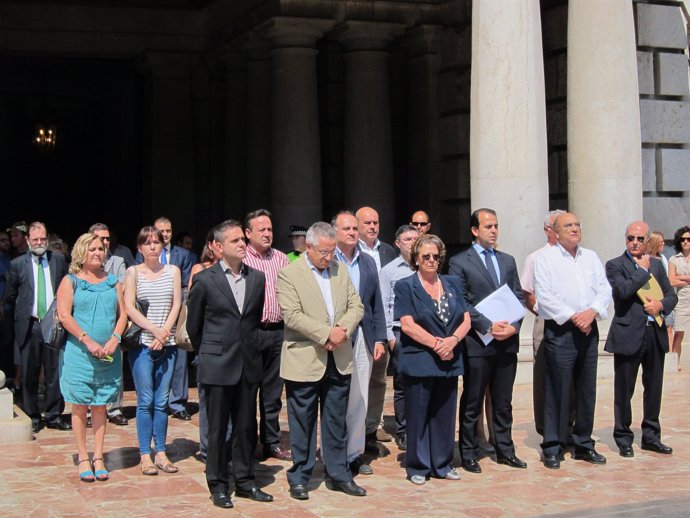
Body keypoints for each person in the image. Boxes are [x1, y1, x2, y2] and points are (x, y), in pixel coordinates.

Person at [277, 222, 366, 500]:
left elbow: (356, 306)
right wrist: (326, 333)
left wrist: (341, 332)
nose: (329, 257)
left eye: (333, 251)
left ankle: (339, 474)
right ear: (309, 247)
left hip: (338, 357)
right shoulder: (289, 274)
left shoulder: (339, 270)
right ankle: (300, 476)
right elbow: (291, 315)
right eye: (325, 252)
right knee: (302, 422)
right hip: (305, 358)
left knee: (335, 421)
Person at [187, 220, 273, 509]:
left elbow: (252, 320)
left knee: (247, 427)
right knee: (217, 428)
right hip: (217, 364)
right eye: (235, 240)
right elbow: (194, 325)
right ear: (218, 247)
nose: (241, 244)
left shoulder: (257, 278)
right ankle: (218, 484)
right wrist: (211, 352)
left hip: (248, 365)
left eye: (242, 240)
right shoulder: (205, 279)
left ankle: (246, 481)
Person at [449, 208, 527, 473]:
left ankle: (505, 450)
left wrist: (514, 327)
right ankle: (469, 452)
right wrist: (488, 325)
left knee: (503, 401)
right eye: (487, 226)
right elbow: (462, 301)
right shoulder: (460, 262)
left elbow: (518, 296)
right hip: (477, 342)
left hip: (506, 343)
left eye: (496, 226)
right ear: (474, 230)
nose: (493, 231)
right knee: (472, 400)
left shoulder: (507, 260)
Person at [534, 212, 612, 469]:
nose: (575, 229)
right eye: (568, 225)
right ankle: (553, 446)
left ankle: (583, 444)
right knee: (558, 390)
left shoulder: (590, 257)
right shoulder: (544, 259)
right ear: (555, 232)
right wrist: (573, 317)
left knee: (586, 389)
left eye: (577, 224)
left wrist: (592, 312)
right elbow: (544, 297)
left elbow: (604, 289)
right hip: (561, 331)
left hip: (588, 331)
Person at [394, 234, 470, 485]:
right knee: (418, 415)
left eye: (435, 256)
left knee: (445, 415)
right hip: (420, 359)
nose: (431, 260)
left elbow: (466, 319)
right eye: (425, 256)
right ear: (416, 258)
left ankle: (442, 463)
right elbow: (407, 325)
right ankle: (418, 465)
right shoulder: (406, 285)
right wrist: (438, 344)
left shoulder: (453, 283)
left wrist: (453, 342)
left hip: (449, 358)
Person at [56, 233, 128, 481]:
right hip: (80, 354)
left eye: (101, 248)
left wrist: (115, 340)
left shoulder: (113, 281)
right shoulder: (70, 281)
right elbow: (64, 315)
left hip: (108, 354)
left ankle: (98, 456)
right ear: (81, 253)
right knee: (80, 406)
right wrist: (87, 340)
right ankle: (83, 457)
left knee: (101, 406)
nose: (98, 252)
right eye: (92, 249)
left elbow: (123, 315)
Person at [605, 221, 677, 458]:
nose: (634, 243)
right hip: (628, 334)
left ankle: (651, 436)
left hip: (654, 333)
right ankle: (623, 437)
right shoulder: (616, 265)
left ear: (647, 241)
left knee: (654, 387)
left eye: (639, 239)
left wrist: (660, 305)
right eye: (630, 238)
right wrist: (642, 271)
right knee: (624, 389)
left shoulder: (657, 265)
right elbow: (623, 292)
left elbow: (671, 296)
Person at [333, 211, 387, 476]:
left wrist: (379, 338)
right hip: (335, 337)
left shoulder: (367, 262)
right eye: (347, 228)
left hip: (363, 336)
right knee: (335, 398)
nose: (353, 232)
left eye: (356, 228)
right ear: (335, 232)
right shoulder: (328, 258)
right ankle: (333, 452)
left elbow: (375, 303)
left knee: (360, 398)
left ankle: (354, 453)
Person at [125, 225, 182, 476]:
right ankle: (144, 455)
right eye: (146, 243)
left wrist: (165, 332)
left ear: (163, 245)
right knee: (145, 400)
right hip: (143, 345)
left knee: (161, 402)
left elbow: (177, 304)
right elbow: (129, 307)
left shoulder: (173, 271)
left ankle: (160, 451)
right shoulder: (132, 272)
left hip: (167, 344)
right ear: (139, 247)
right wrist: (153, 331)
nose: (152, 247)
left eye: (156, 242)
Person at [4, 222, 71, 433]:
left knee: (54, 371)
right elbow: (11, 295)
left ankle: (53, 414)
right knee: (30, 373)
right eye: (35, 240)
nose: (40, 243)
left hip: (53, 323)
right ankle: (32, 414)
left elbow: (66, 287)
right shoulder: (17, 264)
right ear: (28, 240)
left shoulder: (58, 260)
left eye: (43, 239)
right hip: (30, 324)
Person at [242, 209, 292, 461]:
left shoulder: (282, 259)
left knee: (273, 394)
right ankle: (248, 443)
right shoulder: (242, 260)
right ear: (248, 233)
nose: (267, 233)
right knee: (249, 392)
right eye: (261, 229)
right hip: (252, 333)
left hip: (278, 332)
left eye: (270, 229)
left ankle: (271, 442)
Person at [137, 216, 194, 420]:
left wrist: (174, 304)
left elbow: (187, 284)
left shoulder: (184, 255)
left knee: (179, 360)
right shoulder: (142, 255)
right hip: (150, 318)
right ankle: (152, 401)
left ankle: (177, 403)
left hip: (175, 316)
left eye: (168, 231)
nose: (165, 234)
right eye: (161, 231)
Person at [520, 210, 565, 437]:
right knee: (545, 374)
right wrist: (545, 311)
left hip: (574, 323)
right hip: (546, 321)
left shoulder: (577, 256)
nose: (569, 230)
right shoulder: (535, 257)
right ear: (548, 231)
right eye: (562, 226)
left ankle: (569, 424)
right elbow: (527, 292)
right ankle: (546, 427)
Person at [355, 206, 396, 449]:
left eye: (376, 222)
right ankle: (358, 427)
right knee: (359, 379)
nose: (372, 227)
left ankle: (374, 424)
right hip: (361, 323)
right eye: (367, 223)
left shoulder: (387, 251)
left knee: (379, 378)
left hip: (382, 322)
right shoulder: (352, 252)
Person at [188, 227, 228, 463]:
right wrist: (201, 345)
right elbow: (194, 316)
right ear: (211, 245)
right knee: (208, 403)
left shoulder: (240, 273)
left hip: (231, 350)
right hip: (208, 346)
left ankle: (227, 447)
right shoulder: (200, 271)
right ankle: (208, 449)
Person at [378, 224, 419, 451]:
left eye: (415, 238)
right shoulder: (389, 271)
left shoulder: (427, 266)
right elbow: (383, 304)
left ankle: (420, 426)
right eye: (407, 239)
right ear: (398, 243)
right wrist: (388, 337)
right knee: (402, 383)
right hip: (399, 331)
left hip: (425, 331)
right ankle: (403, 431)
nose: (412, 242)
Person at [89, 223, 128, 426]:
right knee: (90, 368)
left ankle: (115, 408)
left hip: (112, 322)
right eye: (100, 239)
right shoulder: (81, 264)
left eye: (107, 239)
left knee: (114, 367)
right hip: (88, 323)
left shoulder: (117, 261)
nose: (105, 242)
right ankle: (91, 409)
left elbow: (120, 289)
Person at [646, 231, 674, 347]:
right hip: (655, 296)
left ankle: (670, 354)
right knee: (665, 325)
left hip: (666, 297)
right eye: (660, 242)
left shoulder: (662, 258)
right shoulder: (648, 260)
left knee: (670, 325)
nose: (663, 244)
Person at [668, 226, 690, 372]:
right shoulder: (673, 259)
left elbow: (676, 278)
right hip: (682, 300)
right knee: (679, 332)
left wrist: (680, 277)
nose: (686, 242)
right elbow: (671, 281)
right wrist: (687, 279)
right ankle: (675, 362)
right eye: (683, 239)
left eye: (689, 239)